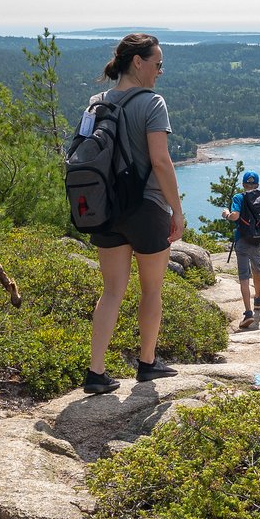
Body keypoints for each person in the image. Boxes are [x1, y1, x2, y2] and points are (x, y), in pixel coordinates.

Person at [83, 33, 184, 394]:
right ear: (138, 63)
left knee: (111, 291)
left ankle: (96, 373)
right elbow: (160, 160)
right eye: (157, 64)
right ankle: (147, 363)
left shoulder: (96, 102)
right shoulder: (153, 103)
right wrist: (177, 210)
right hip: (146, 208)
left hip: (106, 210)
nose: (160, 71)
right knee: (151, 290)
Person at [221, 170, 260, 329]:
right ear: (257, 184)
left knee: (244, 277)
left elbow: (235, 216)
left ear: (244, 184)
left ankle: (248, 314)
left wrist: (226, 214)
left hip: (242, 240)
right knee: (256, 269)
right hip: (257, 240)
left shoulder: (238, 197)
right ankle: (258, 299)